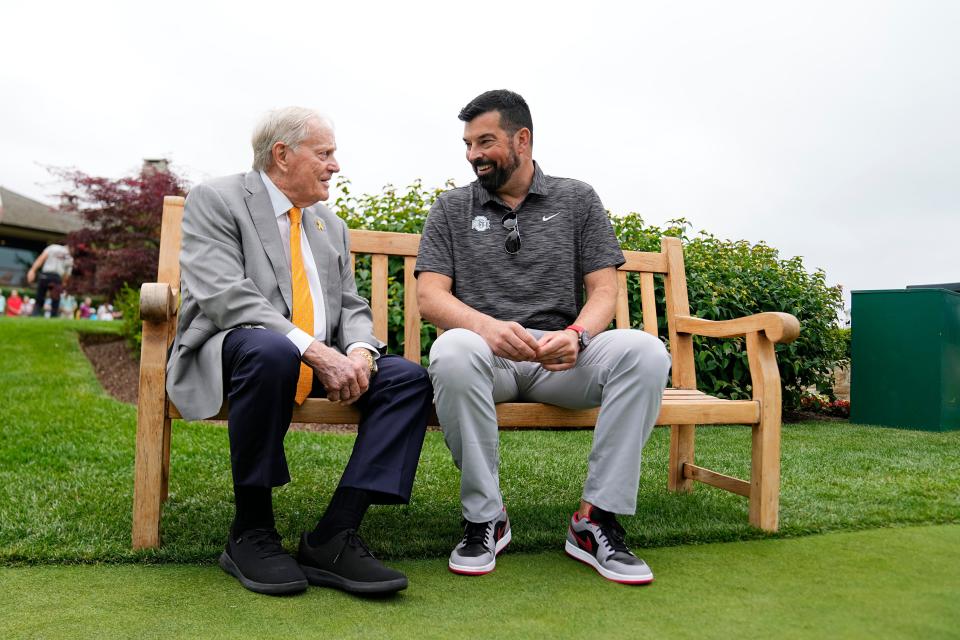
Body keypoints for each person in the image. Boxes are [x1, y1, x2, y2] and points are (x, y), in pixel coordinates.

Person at [167, 107, 432, 597]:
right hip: (235, 350)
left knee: (408, 380)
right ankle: (250, 530)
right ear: (282, 155)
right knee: (272, 350)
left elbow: (351, 303)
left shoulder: (329, 223)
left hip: (313, 354)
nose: (335, 165)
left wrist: (356, 351)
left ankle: (334, 535)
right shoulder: (217, 199)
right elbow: (226, 295)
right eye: (325, 153)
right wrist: (313, 349)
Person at [416, 90, 672, 585]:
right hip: (487, 359)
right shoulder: (450, 208)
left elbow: (603, 289)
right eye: (468, 144)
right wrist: (487, 328)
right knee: (451, 348)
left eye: (485, 141)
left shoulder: (577, 199)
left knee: (644, 350)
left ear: (522, 138)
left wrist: (577, 334)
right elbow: (430, 298)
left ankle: (595, 520)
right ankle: (485, 517)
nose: (473, 154)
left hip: (562, 360)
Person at [27, 243, 73, 317]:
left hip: (45, 275)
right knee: (55, 301)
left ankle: (35, 315)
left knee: (39, 298)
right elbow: (67, 274)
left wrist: (32, 270)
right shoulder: (69, 256)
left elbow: (41, 258)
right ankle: (53, 317)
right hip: (57, 278)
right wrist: (64, 284)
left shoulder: (53, 247)